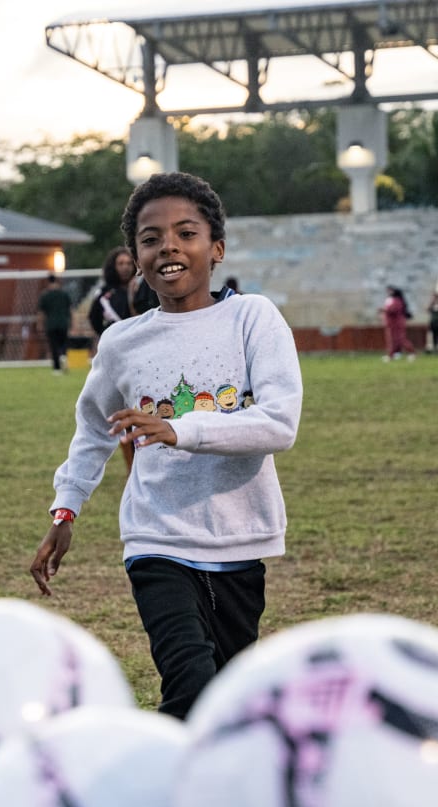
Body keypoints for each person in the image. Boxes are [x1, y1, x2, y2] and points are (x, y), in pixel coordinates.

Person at [28, 171, 303, 720]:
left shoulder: (253, 319)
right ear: (135, 256)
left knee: (223, 703)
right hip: (156, 539)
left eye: (186, 233)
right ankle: (143, 788)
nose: (168, 248)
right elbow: (91, 431)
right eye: (151, 239)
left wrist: (182, 428)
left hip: (239, 540)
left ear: (216, 248)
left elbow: (279, 424)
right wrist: (66, 508)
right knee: (191, 684)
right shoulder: (122, 342)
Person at [88, 247, 136, 340]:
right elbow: (94, 317)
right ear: (113, 266)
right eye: (120, 263)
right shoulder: (104, 294)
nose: (125, 267)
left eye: (129, 263)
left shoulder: (140, 290)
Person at [36, 273, 72, 374]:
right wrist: (73, 323)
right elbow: (70, 310)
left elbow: (41, 312)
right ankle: (64, 356)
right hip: (63, 323)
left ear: (48, 282)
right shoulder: (64, 294)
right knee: (63, 343)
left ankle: (57, 369)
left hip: (51, 324)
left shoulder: (45, 295)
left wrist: (39, 325)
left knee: (54, 346)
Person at [379, 286, 415, 362]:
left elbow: (393, 310)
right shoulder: (391, 300)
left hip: (397, 323)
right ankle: (392, 354)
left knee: (400, 339)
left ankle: (411, 352)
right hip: (391, 323)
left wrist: (384, 310)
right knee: (392, 340)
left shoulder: (397, 300)